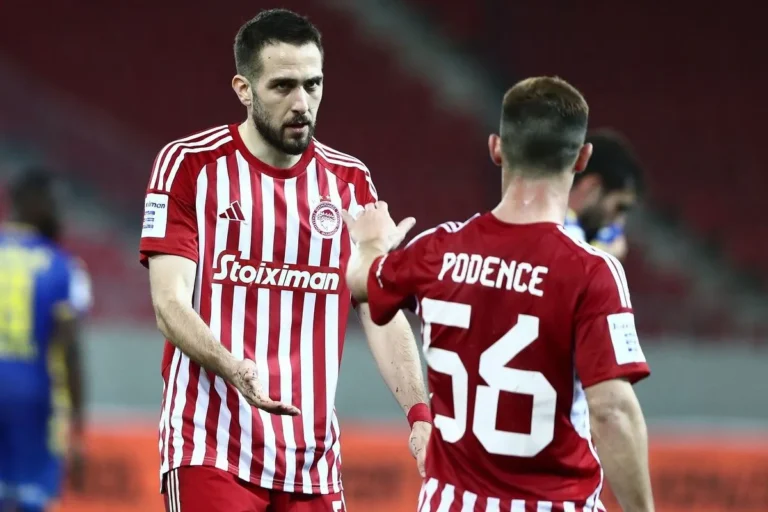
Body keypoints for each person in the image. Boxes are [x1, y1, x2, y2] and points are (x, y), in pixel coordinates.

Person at [138, 8, 430, 512]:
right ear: (244, 89)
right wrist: (233, 368)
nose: (302, 103)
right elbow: (169, 304)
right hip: (210, 446)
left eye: (313, 85)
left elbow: (377, 310)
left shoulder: (350, 182)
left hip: (311, 461)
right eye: (283, 87)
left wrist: (419, 415)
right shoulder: (188, 165)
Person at [344, 77, 654, 511]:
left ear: (496, 148)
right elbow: (612, 412)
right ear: (582, 158)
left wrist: (370, 242)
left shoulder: (437, 249)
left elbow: (361, 280)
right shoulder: (592, 272)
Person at [0, 169, 89, 512]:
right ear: (31, 202)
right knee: (29, 500)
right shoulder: (63, 266)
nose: (58, 212)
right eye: (53, 202)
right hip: (36, 403)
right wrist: (78, 429)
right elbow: (71, 351)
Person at [565, 129, 644, 260]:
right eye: (619, 207)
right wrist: (603, 262)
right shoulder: (567, 238)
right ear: (592, 186)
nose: (619, 221)